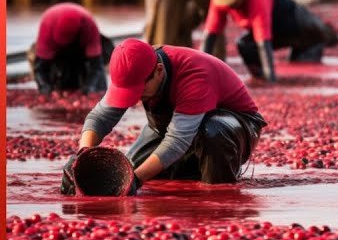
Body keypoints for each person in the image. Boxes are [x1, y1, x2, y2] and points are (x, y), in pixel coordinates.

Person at [61, 38, 267, 195]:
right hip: (168, 127)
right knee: (125, 174)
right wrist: (83, 155)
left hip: (235, 126)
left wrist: (137, 180)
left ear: (159, 71)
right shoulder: (133, 68)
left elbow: (177, 140)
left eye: (139, 91)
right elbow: (100, 117)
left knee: (212, 131)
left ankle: (219, 186)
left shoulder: (194, 74)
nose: (135, 98)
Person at [201, 0, 338, 82]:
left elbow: (263, 41)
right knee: (244, 44)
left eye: (233, 0)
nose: (231, 5)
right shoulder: (218, 0)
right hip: (278, 31)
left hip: (300, 26)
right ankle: (259, 75)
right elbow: (210, 35)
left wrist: (271, 80)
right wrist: (201, 71)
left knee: (309, 54)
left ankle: (324, 37)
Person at [29, 2, 113, 94]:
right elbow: (40, 67)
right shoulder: (47, 25)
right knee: (58, 80)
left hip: (82, 47)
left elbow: (96, 65)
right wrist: (44, 85)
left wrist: (89, 87)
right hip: (56, 51)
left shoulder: (88, 25)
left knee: (98, 86)